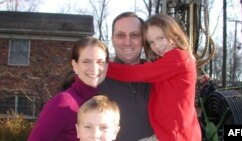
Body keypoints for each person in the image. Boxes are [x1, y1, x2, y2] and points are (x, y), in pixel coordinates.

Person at [107, 14, 202, 141]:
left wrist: (104, 66)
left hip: (175, 136)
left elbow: (137, 74)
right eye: (151, 42)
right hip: (170, 134)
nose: (157, 46)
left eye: (161, 38)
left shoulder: (178, 57)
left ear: (174, 33)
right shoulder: (168, 63)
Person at [28, 36, 109, 141]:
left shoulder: (104, 103)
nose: (94, 68)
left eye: (100, 62)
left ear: (107, 66)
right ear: (75, 65)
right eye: (86, 61)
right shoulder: (63, 103)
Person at [99, 12, 154, 141]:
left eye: (134, 35)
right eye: (120, 35)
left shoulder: (158, 75)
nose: (127, 42)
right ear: (112, 39)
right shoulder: (98, 77)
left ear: (143, 39)